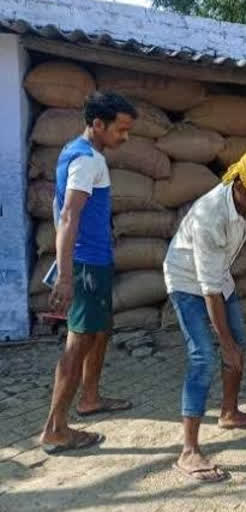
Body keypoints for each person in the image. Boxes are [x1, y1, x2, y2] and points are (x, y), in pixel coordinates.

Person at [163, 146, 246, 483]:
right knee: (205, 357)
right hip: (187, 282)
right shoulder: (211, 215)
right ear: (245, 189)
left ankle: (229, 412)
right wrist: (223, 342)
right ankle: (188, 450)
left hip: (219, 277)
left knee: (240, 341)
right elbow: (207, 290)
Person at [41, 92, 138, 455]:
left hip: (93, 260)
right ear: (98, 124)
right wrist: (66, 276)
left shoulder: (77, 152)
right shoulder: (86, 160)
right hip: (86, 264)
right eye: (121, 129)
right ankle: (55, 429)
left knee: (99, 330)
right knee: (79, 339)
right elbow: (68, 215)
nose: (124, 137)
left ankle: (90, 399)